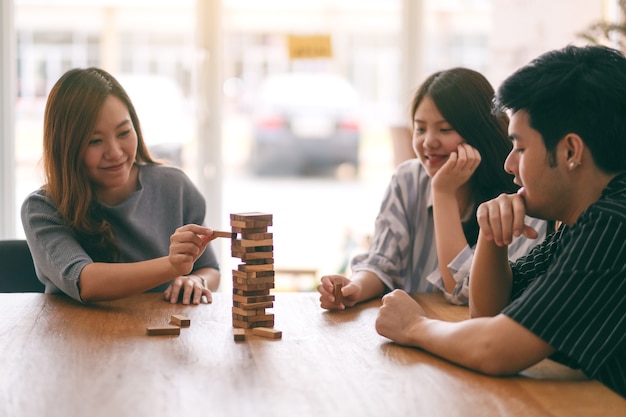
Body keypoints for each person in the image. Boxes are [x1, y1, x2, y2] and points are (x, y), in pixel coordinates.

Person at [375, 45, 626, 399]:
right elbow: (490, 314)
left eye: (521, 149)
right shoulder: (583, 219)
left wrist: (414, 326)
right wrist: (492, 238)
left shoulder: (614, 223)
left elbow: (496, 349)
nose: (509, 165)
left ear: (570, 152)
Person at [318, 67, 547, 308]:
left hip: (465, 338)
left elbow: (467, 294)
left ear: (479, 132)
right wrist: (355, 287)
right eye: (420, 128)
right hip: (403, 332)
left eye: (445, 129)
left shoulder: (516, 199)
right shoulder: (409, 178)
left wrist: (443, 194)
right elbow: (382, 262)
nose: (428, 142)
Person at [21, 67, 221, 304]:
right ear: (66, 148)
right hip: (77, 337)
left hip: (162, 335)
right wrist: (171, 265)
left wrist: (197, 281)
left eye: (124, 132)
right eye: (94, 141)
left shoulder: (174, 186)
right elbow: (85, 281)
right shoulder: (43, 208)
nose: (115, 153)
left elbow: (209, 268)